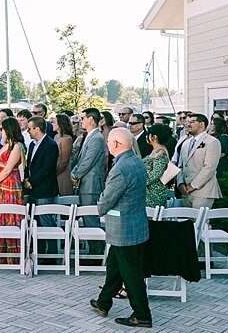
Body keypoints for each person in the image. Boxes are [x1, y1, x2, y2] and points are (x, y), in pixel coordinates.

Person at [90, 128, 152, 329]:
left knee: (131, 273)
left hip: (123, 227)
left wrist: (99, 207)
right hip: (134, 225)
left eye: (109, 141)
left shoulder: (121, 168)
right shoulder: (136, 161)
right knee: (115, 266)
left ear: (116, 144)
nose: (107, 144)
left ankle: (142, 314)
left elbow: (107, 199)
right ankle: (103, 302)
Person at [0, 117, 26, 264]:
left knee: (9, 215)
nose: (1, 131)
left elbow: (8, 169)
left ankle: (12, 256)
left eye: (3, 129)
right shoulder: (6, 144)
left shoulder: (17, 146)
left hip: (10, 184)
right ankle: (0, 254)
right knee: (0, 216)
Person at [72, 108, 106, 253]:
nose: (81, 121)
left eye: (83, 118)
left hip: (91, 185)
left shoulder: (97, 138)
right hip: (86, 184)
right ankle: (94, 251)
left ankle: (97, 252)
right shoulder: (90, 136)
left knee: (91, 220)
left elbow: (88, 161)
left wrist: (75, 175)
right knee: (87, 220)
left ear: (91, 119)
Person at [24, 116, 59, 254]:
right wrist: (26, 178)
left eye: (30, 128)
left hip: (44, 189)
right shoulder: (32, 144)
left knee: (46, 222)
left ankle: (52, 253)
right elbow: (29, 164)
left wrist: (31, 181)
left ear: (37, 129)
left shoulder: (50, 145)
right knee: (35, 221)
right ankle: (39, 251)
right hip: (33, 190)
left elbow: (47, 169)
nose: (27, 131)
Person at [179, 113, 222, 209]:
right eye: (187, 122)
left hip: (203, 191)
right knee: (187, 223)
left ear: (202, 124)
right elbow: (180, 165)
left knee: (200, 222)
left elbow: (209, 167)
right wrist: (180, 183)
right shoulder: (185, 143)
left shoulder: (212, 142)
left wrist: (193, 186)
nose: (188, 124)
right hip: (185, 192)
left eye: (192, 122)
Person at [144, 124, 171, 208]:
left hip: (154, 192)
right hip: (149, 190)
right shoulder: (156, 150)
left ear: (154, 137)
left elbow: (156, 173)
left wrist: (142, 182)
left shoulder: (160, 152)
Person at [52, 114, 74, 196]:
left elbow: (64, 161)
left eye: (54, 122)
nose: (52, 124)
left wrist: (55, 173)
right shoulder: (56, 136)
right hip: (55, 169)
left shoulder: (67, 139)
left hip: (62, 172)